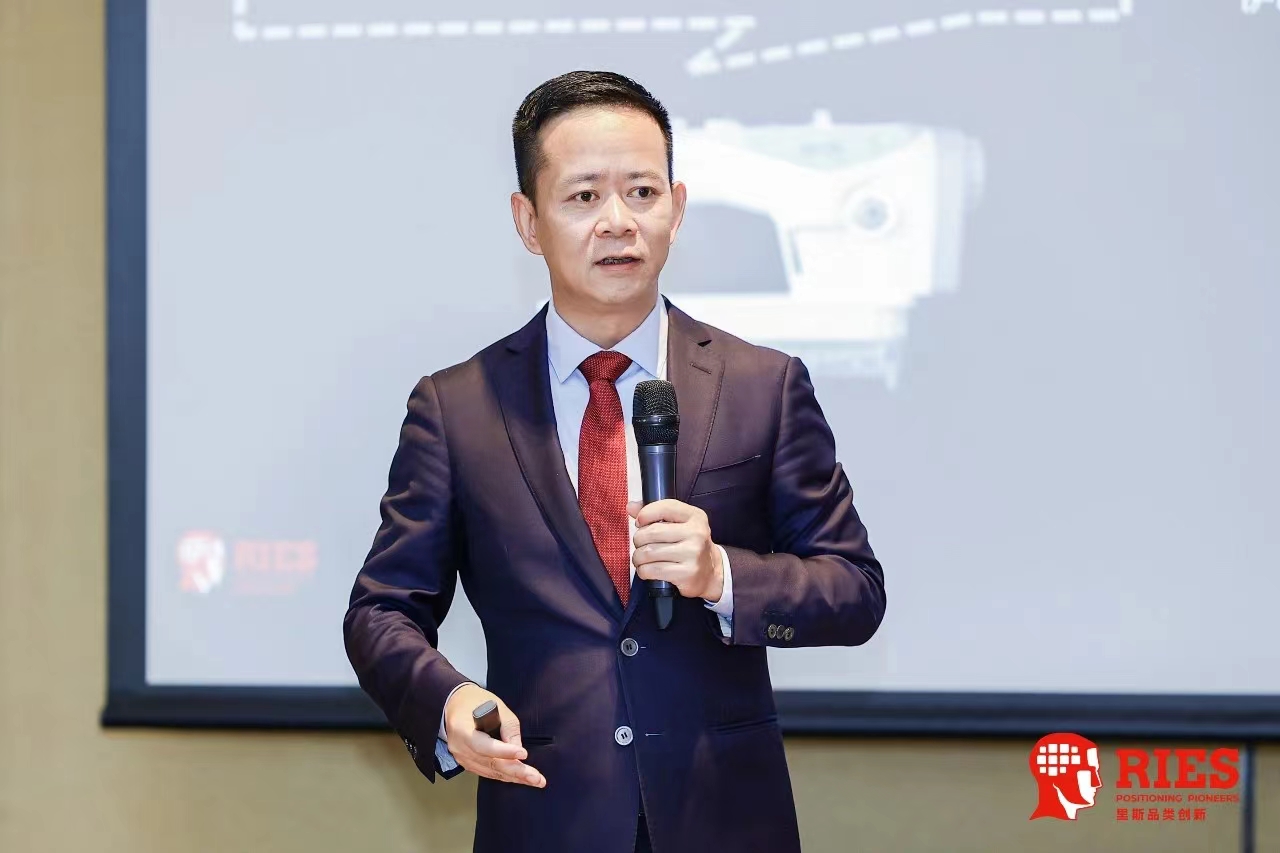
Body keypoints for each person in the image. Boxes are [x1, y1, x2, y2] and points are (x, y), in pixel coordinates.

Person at [344, 70, 886, 853]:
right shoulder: (457, 407)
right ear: (528, 221)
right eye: (584, 196)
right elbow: (381, 611)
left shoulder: (762, 385)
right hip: (545, 819)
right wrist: (450, 700)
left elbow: (855, 589)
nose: (618, 222)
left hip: (725, 821)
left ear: (677, 208)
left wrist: (722, 574)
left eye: (642, 192)